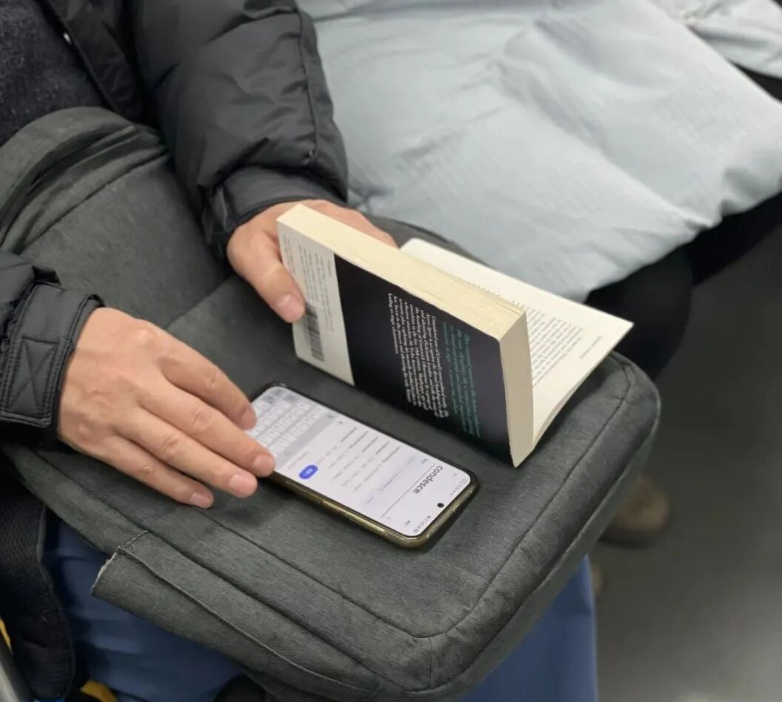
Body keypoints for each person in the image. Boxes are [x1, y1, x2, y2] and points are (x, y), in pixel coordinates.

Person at [0, 3, 658, 702]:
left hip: (163, 195)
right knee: (229, 644)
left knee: (510, 513)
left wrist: (269, 177)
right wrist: (19, 346)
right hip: (13, 390)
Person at [295, 0, 782, 544]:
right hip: (343, 29)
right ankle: (557, 485)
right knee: (642, 299)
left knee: (761, 155)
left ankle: (594, 448)